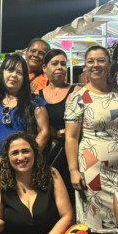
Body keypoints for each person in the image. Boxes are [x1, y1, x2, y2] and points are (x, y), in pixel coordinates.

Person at [64, 45, 118, 234]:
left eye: (101, 60)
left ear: (109, 64)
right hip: (91, 165)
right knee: (93, 223)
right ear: (85, 65)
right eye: (91, 61)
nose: (96, 65)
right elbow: (71, 137)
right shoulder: (78, 97)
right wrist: (73, 170)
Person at [0, 54, 50, 152]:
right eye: (10, 70)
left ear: (24, 78)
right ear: (2, 73)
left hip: (23, 159)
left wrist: (30, 155)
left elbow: (44, 132)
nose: (14, 75)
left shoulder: (35, 102)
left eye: (19, 73)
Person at [40, 49, 75, 201]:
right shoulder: (37, 96)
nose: (60, 67)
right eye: (54, 64)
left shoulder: (76, 91)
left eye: (63, 64)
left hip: (70, 155)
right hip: (47, 154)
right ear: (44, 68)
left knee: (71, 195)